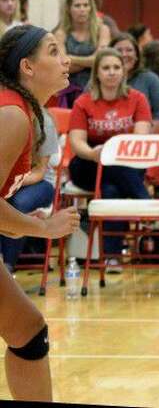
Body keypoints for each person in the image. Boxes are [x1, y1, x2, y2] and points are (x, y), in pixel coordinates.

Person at [0, 26, 80, 401]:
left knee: (27, 331)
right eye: (53, 51)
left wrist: (15, 224)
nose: (65, 60)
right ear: (27, 66)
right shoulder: (12, 115)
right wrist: (43, 227)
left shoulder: (25, 114)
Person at [67, 48, 153, 269]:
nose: (112, 72)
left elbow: (141, 138)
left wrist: (114, 153)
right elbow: (77, 142)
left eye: (116, 67)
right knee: (111, 169)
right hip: (88, 163)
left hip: (125, 160)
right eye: (106, 68)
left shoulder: (137, 99)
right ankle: (147, 206)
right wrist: (94, 154)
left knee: (112, 190)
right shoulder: (83, 102)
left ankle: (112, 257)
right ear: (97, 73)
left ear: (124, 72)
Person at [1, 107, 57, 272]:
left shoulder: (43, 121)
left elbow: (39, 172)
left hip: (39, 183)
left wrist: (7, 184)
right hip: (9, 182)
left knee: (17, 203)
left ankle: (7, 266)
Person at [111, 33, 159, 134]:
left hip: (142, 142)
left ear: (137, 55)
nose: (124, 54)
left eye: (129, 50)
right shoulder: (97, 80)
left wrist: (139, 138)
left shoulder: (150, 78)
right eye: (119, 50)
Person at [53, 0, 112, 94]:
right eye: (77, 6)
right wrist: (90, 61)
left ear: (91, 8)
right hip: (69, 91)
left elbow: (100, 60)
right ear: (68, 9)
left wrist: (71, 58)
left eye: (86, 5)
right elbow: (62, 66)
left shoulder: (102, 30)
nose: (82, 9)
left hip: (97, 89)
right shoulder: (60, 34)